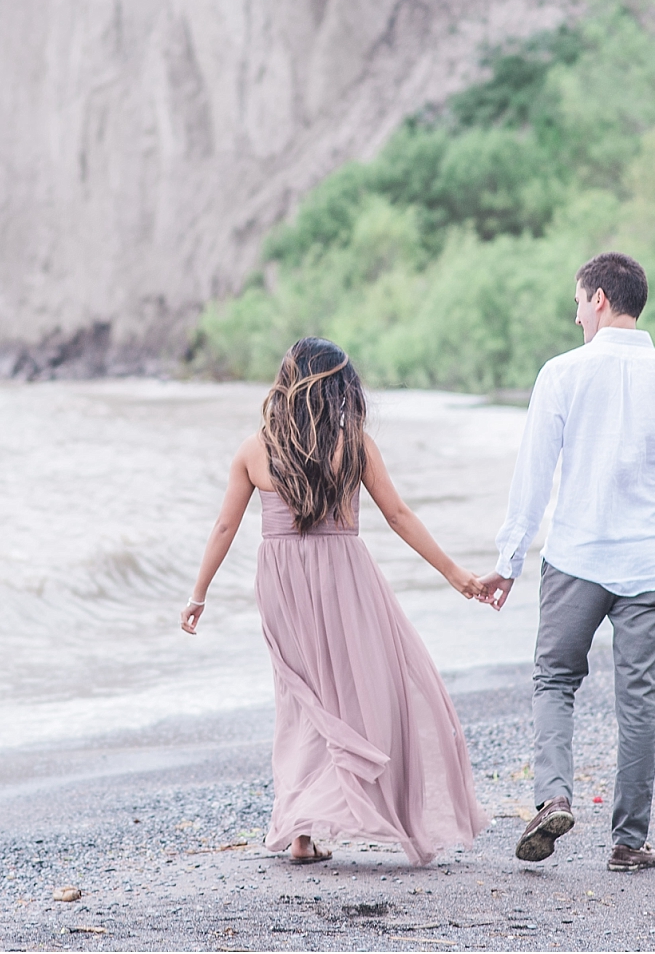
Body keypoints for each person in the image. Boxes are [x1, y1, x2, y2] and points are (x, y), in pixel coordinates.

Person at [182, 337, 491, 866]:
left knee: (301, 700)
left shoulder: (256, 448)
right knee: (364, 689)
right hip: (345, 579)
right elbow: (398, 515)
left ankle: (301, 831)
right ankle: (361, 807)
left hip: (282, 585)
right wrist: (453, 572)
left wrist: (198, 593)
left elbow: (225, 525)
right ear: (339, 386)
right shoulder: (355, 444)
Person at [475, 252, 655, 872]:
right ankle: (629, 842)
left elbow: (533, 474)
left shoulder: (561, 373)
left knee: (555, 681)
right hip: (649, 565)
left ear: (601, 299)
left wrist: (509, 560)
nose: (576, 312)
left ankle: (552, 796)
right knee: (640, 702)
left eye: (579, 301)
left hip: (576, 557)